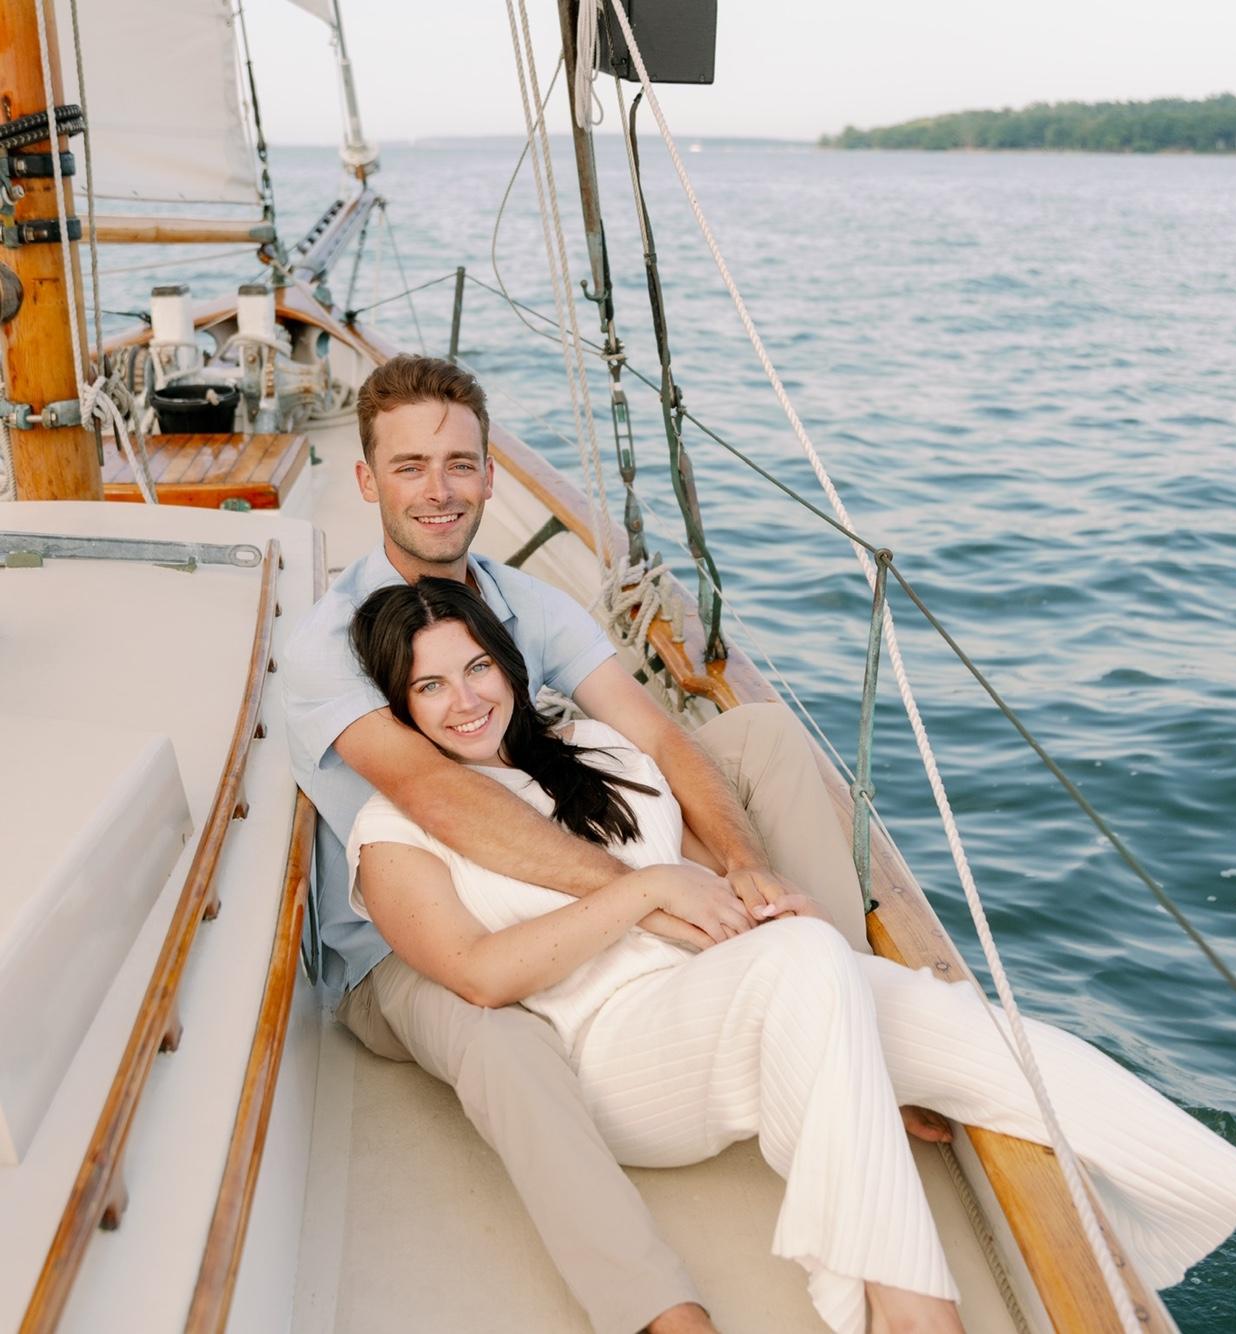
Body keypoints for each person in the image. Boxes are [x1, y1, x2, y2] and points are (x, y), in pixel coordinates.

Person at [344, 576, 1236, 1334]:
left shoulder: (596, 751)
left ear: (510, 666)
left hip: (727, 1002)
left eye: (477, 667)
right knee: (808, 960)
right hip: (613, 1055)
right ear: (399, 708)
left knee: (973, 1030)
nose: (464, 699)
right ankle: (917, 1316)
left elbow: (699, 873)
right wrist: (642, 894)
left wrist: (750, 890)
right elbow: (476, 973)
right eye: (429, 685)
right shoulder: (395, 828)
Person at [283, 354, 884, 1334]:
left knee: (761, 740)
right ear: (365, 480)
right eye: (409, 466)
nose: (438, 490)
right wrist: (647, 889)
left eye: (459, 463)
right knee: (498, 1032)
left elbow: (659, 734)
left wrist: (739, 861)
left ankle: (859, 1010)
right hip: (415, 941)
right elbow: (439, 797)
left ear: (490, 475)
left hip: (556, 886)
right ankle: (657, 1308)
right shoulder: (329, 643)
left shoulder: (523, 601)